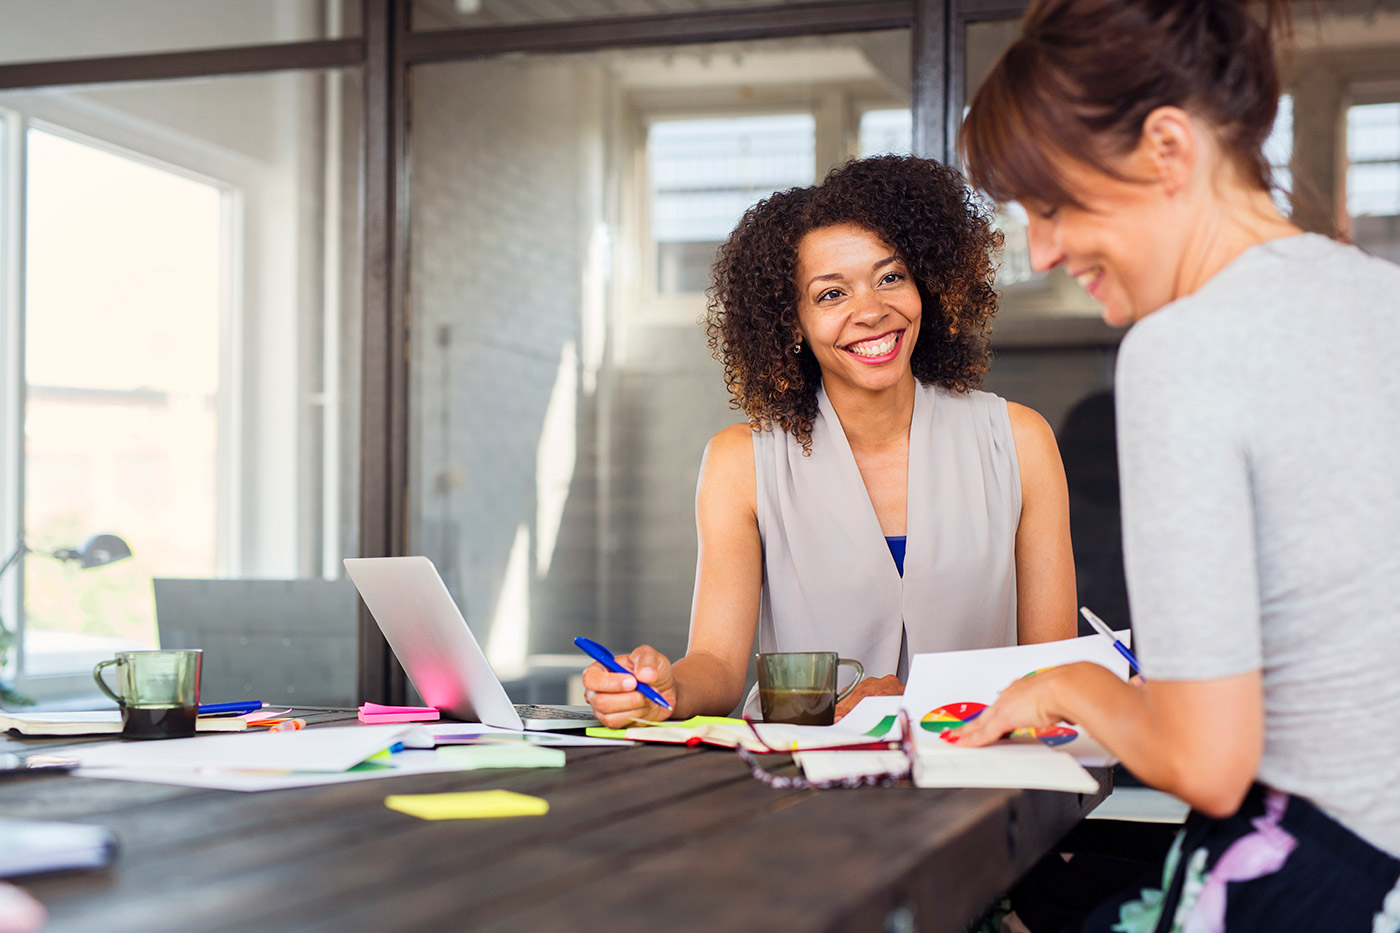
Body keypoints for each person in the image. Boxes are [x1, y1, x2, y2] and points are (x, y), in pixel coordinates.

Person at [952, 1, 1400, 930]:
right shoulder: (1382, 298)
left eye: (1054, 204)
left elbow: (1207, 760)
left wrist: (1064, 685)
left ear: (1167, 148)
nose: (1040, 250)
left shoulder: (1181, 348)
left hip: (1305, 875)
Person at [584, 155, 1077, 728]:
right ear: (790, 323)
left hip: (977, 785)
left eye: (890, 277)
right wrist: (662, 690)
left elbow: (1052, 673)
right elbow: (717, 667)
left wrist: (921, 712)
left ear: (926, 285)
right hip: (804, 793)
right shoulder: (742, 462)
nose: (872, 311)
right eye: (830, 295)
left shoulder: (1018, 442)